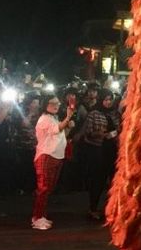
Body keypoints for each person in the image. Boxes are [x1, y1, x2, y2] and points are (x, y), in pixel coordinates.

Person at [31, 94, 75, 230]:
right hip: (46, 156)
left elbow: (60, 135)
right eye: (52, 103)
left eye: (57, 103)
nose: (56, 105)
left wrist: (68, 126)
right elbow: (58, 129)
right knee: (43, 188)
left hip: (55, 156)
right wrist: (68, 117)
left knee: (48, 188)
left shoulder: (53, 118)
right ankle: (37, 217)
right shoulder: (44, 119)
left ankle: (41, 215)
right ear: (45, 104)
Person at [82, 89, 121, 221]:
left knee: (114, 181)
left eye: (110, 99)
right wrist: (101, 134)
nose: (108, 102)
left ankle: (112, 209)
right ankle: (93, 208)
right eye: (106, 99)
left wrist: (115, 134)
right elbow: (88, 132)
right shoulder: (93, 113)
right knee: (97, 181)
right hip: (98, 151)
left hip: (113, 150)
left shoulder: (115, 114)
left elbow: (120, 128)